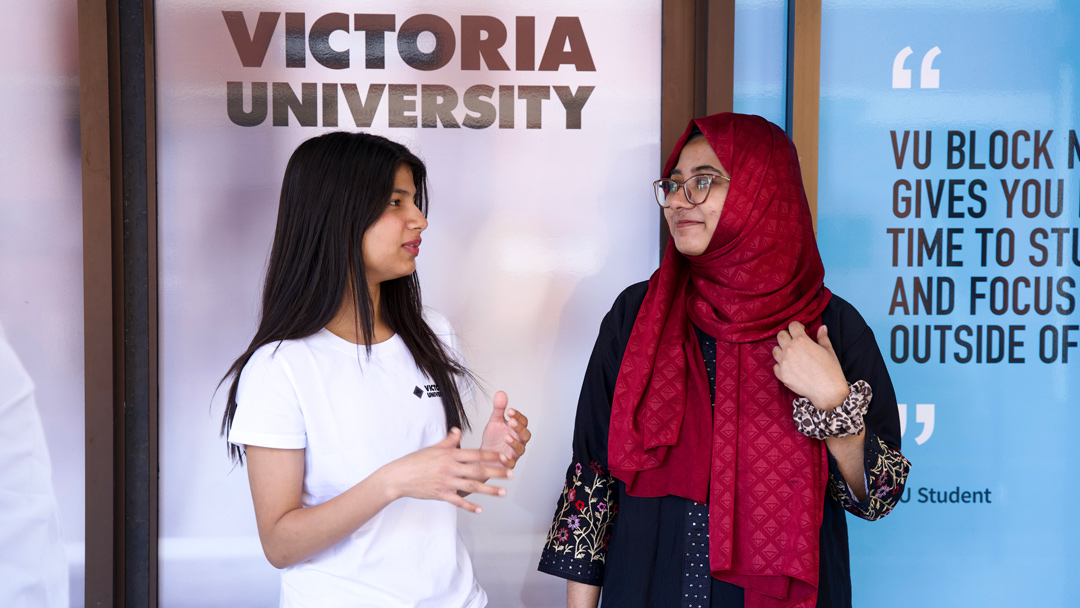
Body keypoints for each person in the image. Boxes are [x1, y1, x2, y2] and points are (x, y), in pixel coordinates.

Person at [538, 113, 910, 608]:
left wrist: (834, 404)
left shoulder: (831, 328)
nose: (676, 201)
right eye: (672, 185)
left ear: (762, 189)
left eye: (703, 181)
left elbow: (879, 495)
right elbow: (592, 482)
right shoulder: (637, 316)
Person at [220, 131, 531, 608]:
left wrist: (485, 457)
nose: (420, 220)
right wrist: (392, 481)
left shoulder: (433, 331)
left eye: (415, 201)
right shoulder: (280, 368)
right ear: (337, 213)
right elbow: (280, 543)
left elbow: (432, 482)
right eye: (395, 201)